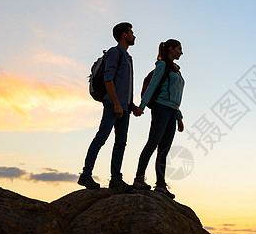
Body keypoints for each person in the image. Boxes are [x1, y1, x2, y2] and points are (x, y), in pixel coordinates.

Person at [78, 22, 141, 193]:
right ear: (123, 35)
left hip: (124, 107)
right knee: (101, 138)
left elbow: (124, 85)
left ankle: (115, 179)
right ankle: (86, 174)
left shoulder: (128, 58)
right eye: (131, 32)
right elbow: (108, 79)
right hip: (113, 105)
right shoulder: (115, 52)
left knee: (121, 143)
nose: (134, 35)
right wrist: (116, 104)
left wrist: (131, 105)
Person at [133, 39, 185, 199]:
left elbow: (175, 95)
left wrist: (179, 117)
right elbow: (152, 86)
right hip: (160, 108)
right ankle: (139, 178)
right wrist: (142, 106)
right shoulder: (162, 65)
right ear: (170, 49)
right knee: (153, 143)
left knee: (164, 149)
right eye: (179, 49)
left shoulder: (177, 70)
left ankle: (161, 184)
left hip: (171, 111)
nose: (181, 52)